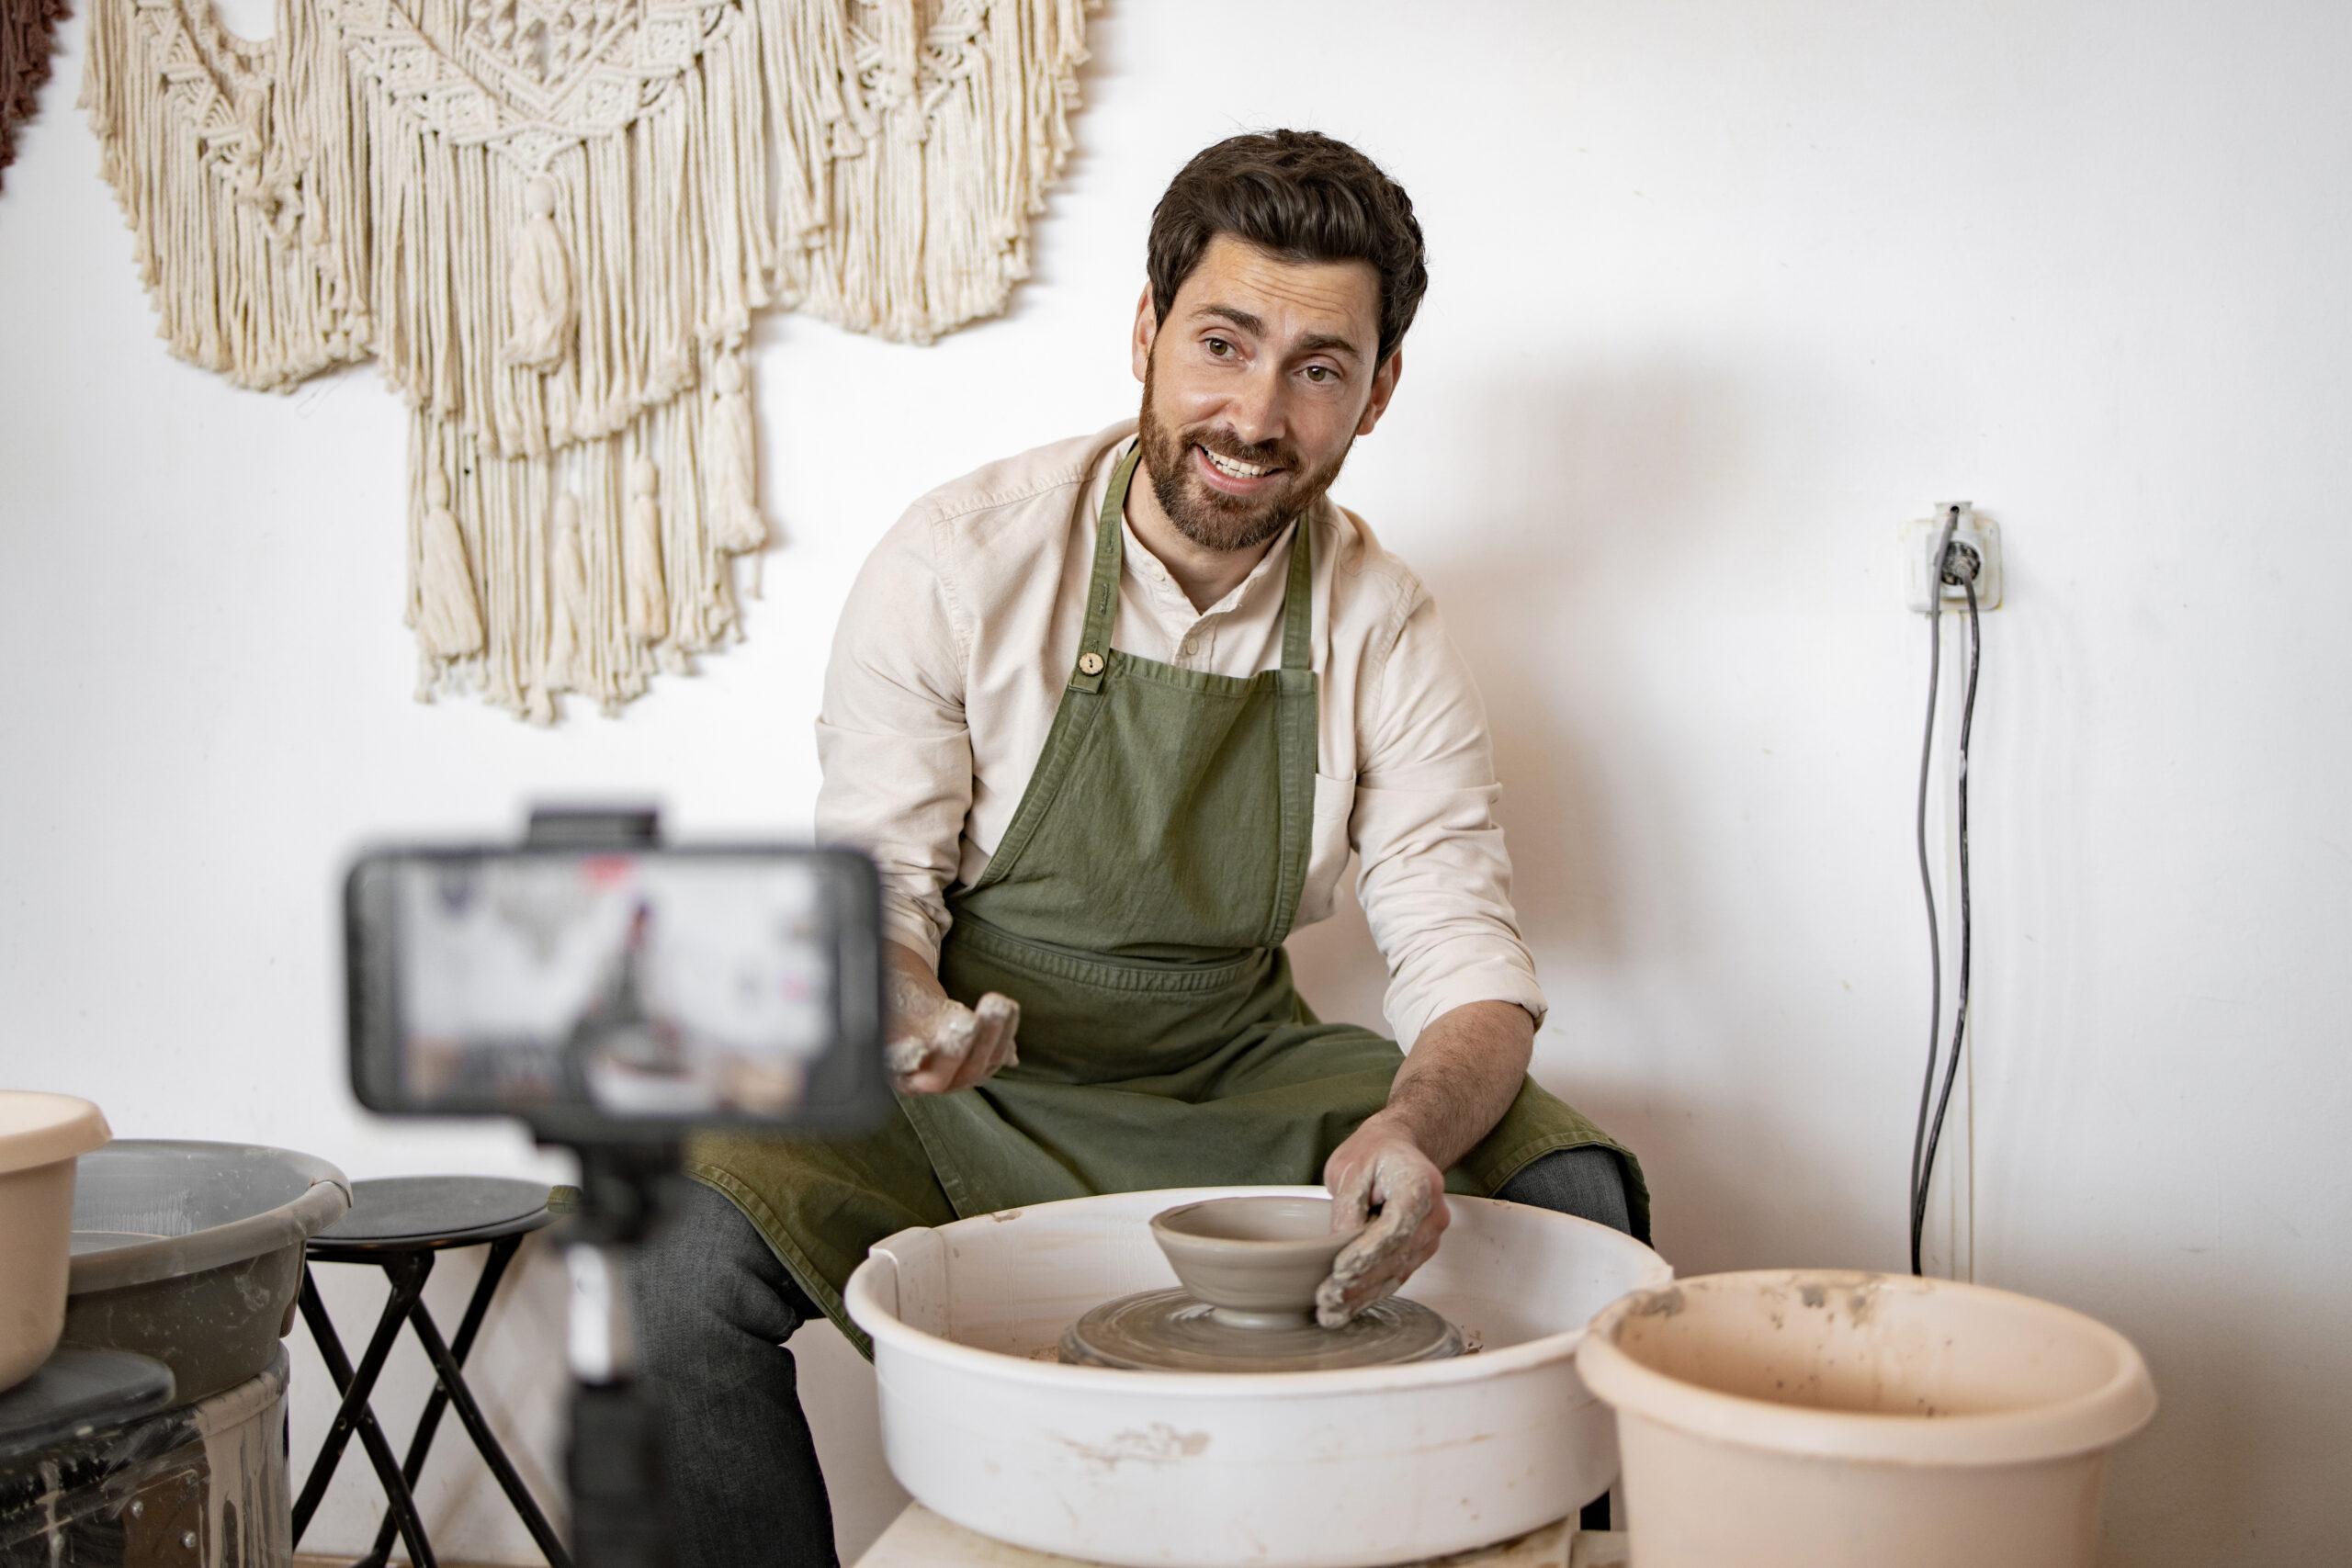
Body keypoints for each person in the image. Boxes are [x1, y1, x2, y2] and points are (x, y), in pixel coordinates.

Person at [633, 130, 1647, 1568]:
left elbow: (1462, 952)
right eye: (1223, 343)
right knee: (671, 1245)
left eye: (1319, 367)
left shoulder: (1384, 624)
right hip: (963, 1073)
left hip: (1236, 1066)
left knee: (1571, 1189)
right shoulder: (959, 563)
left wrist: (1412, 1132)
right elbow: (873, 882)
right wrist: (903, 1002)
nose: (1255, 413)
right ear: (1145, 331)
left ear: (1380, 390)